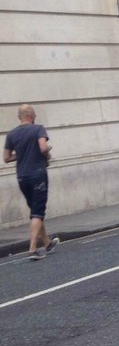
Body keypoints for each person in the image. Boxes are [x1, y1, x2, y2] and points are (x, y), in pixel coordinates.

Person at [4, 104, 60, 261]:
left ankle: (47, 243)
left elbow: (6, 158)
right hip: (37, 174)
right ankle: (33, 249)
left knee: (35, 210)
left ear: (19, 116)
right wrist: (47, 151)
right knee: (38, 211)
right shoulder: (38, 129)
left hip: (22, 176)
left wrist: (21, 154)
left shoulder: (12, 134)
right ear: (32, 115)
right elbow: (43, 148)